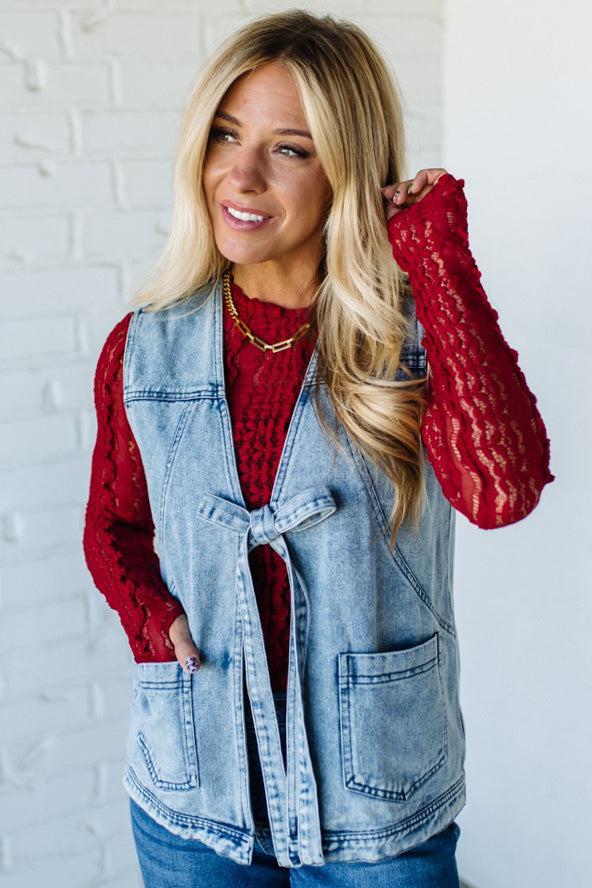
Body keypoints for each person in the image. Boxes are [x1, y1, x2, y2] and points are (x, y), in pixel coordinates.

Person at [82, 9, 555, 886]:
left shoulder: (414, 340)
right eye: (227, 133)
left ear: (348, 166)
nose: (242, 173)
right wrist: (155, 623)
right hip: (195, 796)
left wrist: (438, 263)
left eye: (289, 148)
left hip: (375, 806)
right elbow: (114, 525)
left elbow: (504, 492)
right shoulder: (144, 344)